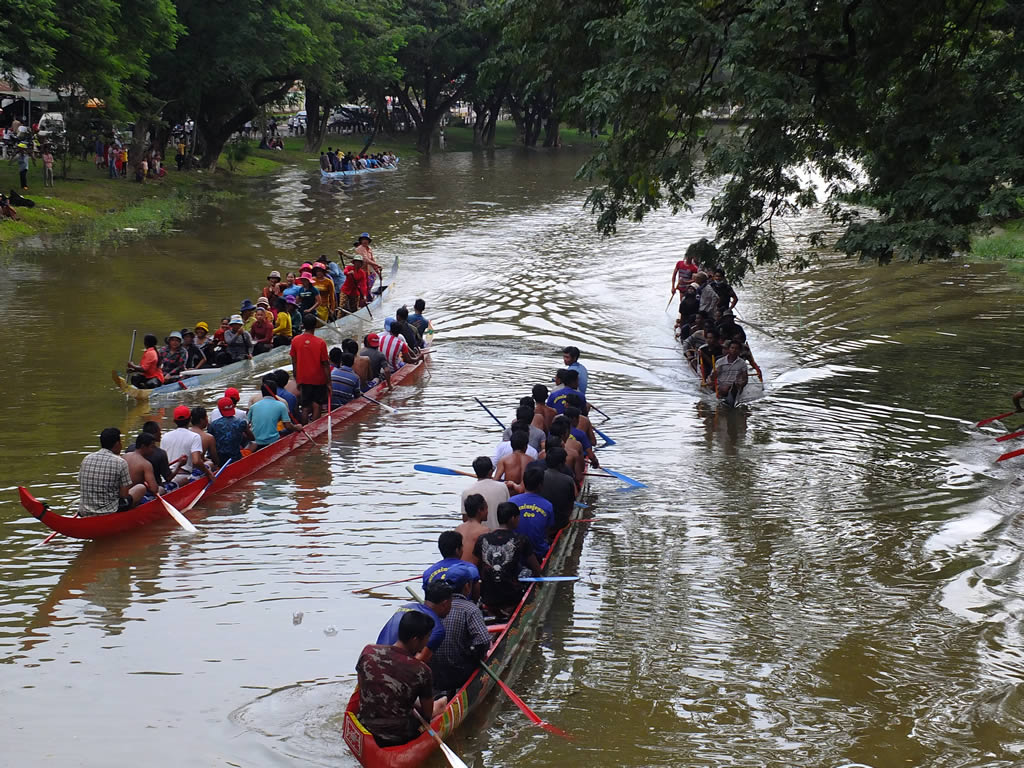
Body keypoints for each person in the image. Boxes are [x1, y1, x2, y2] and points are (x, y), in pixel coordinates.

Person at [356, 610, 448, 748]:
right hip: (398, 736)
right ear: (415, 640)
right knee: (442, 702)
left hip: (365, 725)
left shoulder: (368, 652)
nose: (427, 642)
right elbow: (427, 716)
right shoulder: (422, 671)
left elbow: (362, 688)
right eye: (427, 638)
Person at [473, 501, 542, 614]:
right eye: (518, 518)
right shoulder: (520, 539)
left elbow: (475, 568)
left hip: (488, 597)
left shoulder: (482, 539)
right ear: (513, 518)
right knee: (526, 572)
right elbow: (537, 570)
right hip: (511, 597)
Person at [430, 579, 490, 696]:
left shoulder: (429, 608)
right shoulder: (470, 608)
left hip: (434, 673)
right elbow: (483, 641)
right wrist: (477, 658)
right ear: (467, 587)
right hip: (459, 672)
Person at [376, 582, 453, 663]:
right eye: (451, 603)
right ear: (445, 604)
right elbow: (418, 662)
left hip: (377, 656)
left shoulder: (406, 607)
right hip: (394, 668)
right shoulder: (437, 628)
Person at [79, 427, 148, 515]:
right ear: (117, 444)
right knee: (140, 488)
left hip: (85, 510)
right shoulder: (120, 462)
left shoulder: (86, 458)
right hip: (109, 511)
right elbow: (124, 495)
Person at [290, 314, 330, 422]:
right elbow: (326, 364)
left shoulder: (295, 340)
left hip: (303, 378)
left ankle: (304, 427)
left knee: (305, 406)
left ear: (303, 325)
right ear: (315, 325)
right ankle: (315, 427)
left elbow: (294, 361)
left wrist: (296, 376)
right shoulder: (321, 343)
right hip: (318, 379)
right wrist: (329, 383)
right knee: (317, 405)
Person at [508, 467, 555, 558]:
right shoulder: (548, 505)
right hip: (539, 551)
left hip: (515, 551)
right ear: (540, 485)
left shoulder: (511, 501)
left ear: (524, 484)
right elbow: (547, 531)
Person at [162, 405, 215, 485]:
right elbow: (196, 461)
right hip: (184, 475)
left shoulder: (165, 436)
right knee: (210, 464)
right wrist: (208, 473)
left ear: (174, 421)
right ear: (190, 419)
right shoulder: (194, 437)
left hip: (167, 475)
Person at [422, 531, 480, 602]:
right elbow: (476, 596)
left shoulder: (428, 572)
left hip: (437, 610)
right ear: (457, 550)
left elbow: (427, 600)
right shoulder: (470, 568)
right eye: (461, 547)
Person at [248, 376, 298, 448]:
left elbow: (247, 424)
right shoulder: (281, 404)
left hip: (256, 440)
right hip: (273, 440)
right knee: (289, 429)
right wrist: (297, 428)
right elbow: (288, 426)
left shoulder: (253, 406)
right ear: (275, 391)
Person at [460, 456, 509, 529]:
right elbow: (508, 512)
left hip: (477, 535)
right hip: (500, 534)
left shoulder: (467, 492)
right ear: (491, 471)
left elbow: (465, 519)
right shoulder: (503, 487)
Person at [536, 446, 576, 530]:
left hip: (539, 517)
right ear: (561, 464)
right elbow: (570, 506)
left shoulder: (537, 477)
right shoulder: (568, 480)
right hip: (559, 522)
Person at [207, 396, 253, 463]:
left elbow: (210, 444)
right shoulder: (241, 422)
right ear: (233, 407)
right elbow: (252, 438)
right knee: (253, 443)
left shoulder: (213, 425)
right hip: (236, 458)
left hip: (220, 459)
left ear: (220, 410)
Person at [123, 431, 162, 499]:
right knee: (162, 489)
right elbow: (154, 489)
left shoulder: (124, 456)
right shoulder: (146, 464)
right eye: (152, 447)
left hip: (120, 495)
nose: (153, 450)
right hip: (131, 498)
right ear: (143, 446)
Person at [456, 494, 490, 567]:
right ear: (479, 510)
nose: (487, 511)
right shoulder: (485, 531)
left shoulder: (458, 529)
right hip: (473, 572)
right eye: (486, 508)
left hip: (457, 570)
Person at [711, 340, 749, 405]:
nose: (734, 350)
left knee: (731, 388)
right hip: (721, 385)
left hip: (735, 386)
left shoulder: (742, 363)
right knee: (725, 388)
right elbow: (712, 378)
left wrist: (741, 384)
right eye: (732, 348)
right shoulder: (720, 362)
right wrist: (714, 374)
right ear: (728, 349)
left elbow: (745, 379)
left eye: (736, 349)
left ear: (739, 351)